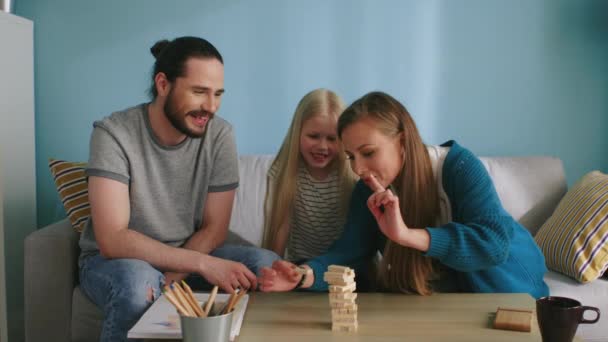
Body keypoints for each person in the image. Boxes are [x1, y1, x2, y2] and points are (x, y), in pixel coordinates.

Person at [78, 36, 280, 341]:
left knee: (265, 265)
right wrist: (200, 265)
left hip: (192, 248)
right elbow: (113, 239)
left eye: (217, 94)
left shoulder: (220, 134)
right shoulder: (113, 133)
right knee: (138, 284)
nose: (210, 107)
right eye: (199, 92)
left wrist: (173, 278)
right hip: (119, 262)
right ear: (163, 84)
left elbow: (214, 228)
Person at [258, 91, 549, 299]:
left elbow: (493, 245)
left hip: (508, 287)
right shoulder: (367, 190)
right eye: (350, 157)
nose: (358, 168)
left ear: (402, 142)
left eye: (369, 153)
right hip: (442, 297)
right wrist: (303, 275)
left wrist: (406, 235)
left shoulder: (459, 166)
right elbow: (349, 254)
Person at [263, 89, 357, 263]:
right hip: (301, 265)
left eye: (332, 138)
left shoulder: (352, 173)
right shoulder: (285, 171)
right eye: (313, 136)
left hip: (347, 266)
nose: (322, 146)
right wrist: (273, 268)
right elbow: (281, 226)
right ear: (297, 132)